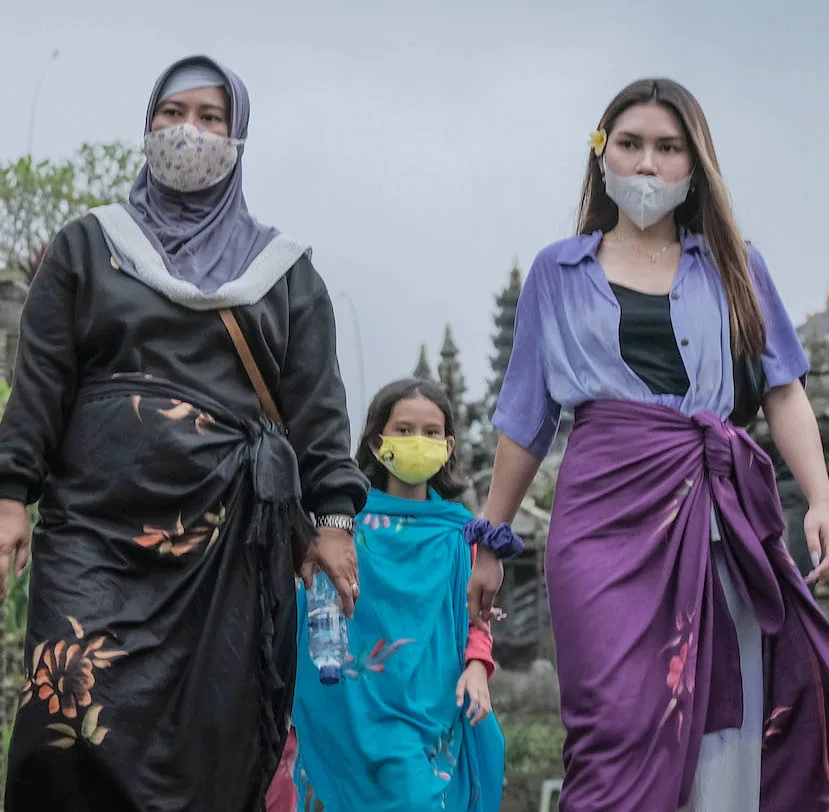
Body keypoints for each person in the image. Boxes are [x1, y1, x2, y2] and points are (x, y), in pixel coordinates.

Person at [0, 55, 368, 811]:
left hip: (231, 552)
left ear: (238, 139)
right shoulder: (87, 246)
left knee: (210, 744)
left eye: (210, 117)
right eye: (172, 114)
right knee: (61, 725)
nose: (189, 132)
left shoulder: (285, 274)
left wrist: (331, 523)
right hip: (92, 536)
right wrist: (8, 495)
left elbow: (317, 411)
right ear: (146, 127)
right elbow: (40, 382)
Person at [466, 77, 829, 811]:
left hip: (716, 516)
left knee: (721, 713)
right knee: (611, 726)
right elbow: (523, 418)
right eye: (628, 145)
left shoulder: (735, 267)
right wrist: (490, 542)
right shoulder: (557, 273)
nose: (646, 165)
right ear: (601, 155)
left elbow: (784, 387)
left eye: (667, 148)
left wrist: (820, 495)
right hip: (600, 517)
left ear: (694, 164)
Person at [289, 379, 505, 812]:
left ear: (448, 446)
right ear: (376, 441)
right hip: (351, 706)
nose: (416, 442)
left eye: (430, 433)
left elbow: (475, 617)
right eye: (403, 430)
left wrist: (479, 668)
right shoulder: (343, 530)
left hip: (432, 708)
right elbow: (315, 605)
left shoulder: (459, 533)